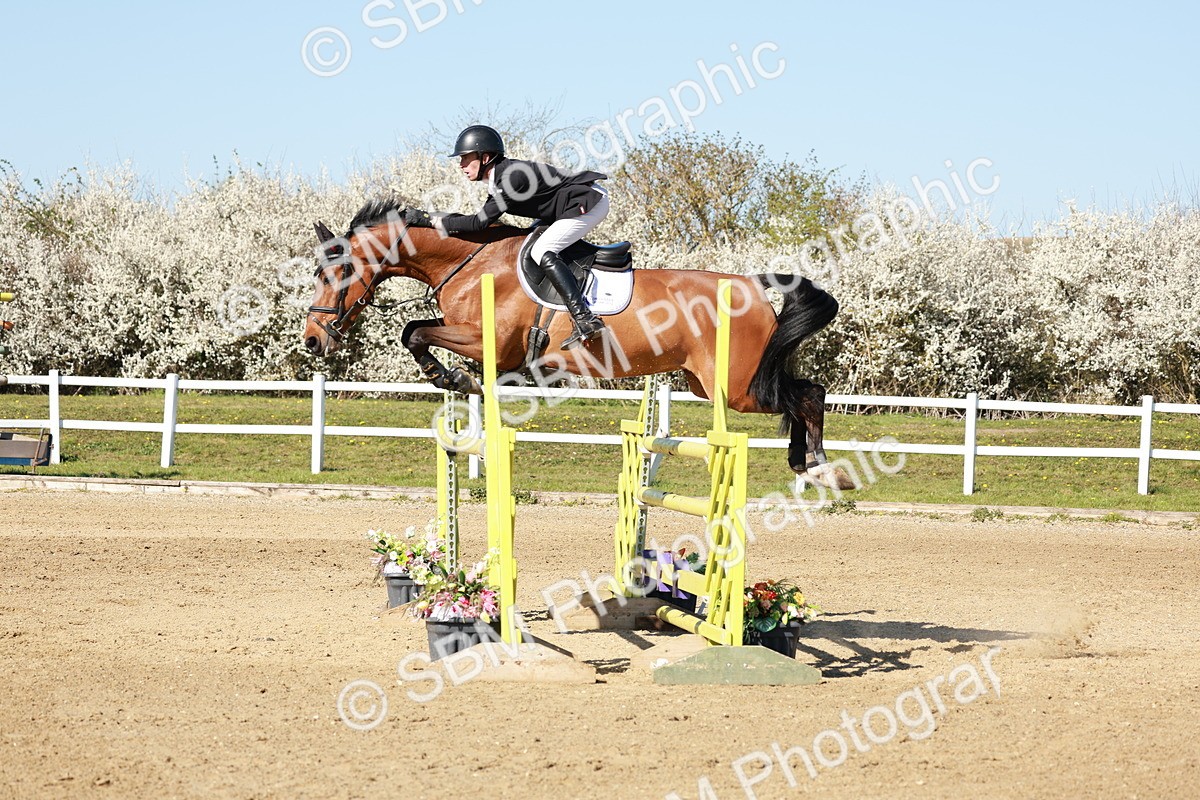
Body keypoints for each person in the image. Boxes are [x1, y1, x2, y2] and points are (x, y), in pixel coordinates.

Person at [403, 125, 609, 348]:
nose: (460, 165)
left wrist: (429, 220)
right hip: (565, 207)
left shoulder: (511, 179)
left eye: (465, 158)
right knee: (534, 243)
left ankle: (584, 319)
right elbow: (479, 221)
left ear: (486, 157)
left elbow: (479, 222)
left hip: (586, 201)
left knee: (542, 250)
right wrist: (433, 219)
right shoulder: (500, 178)